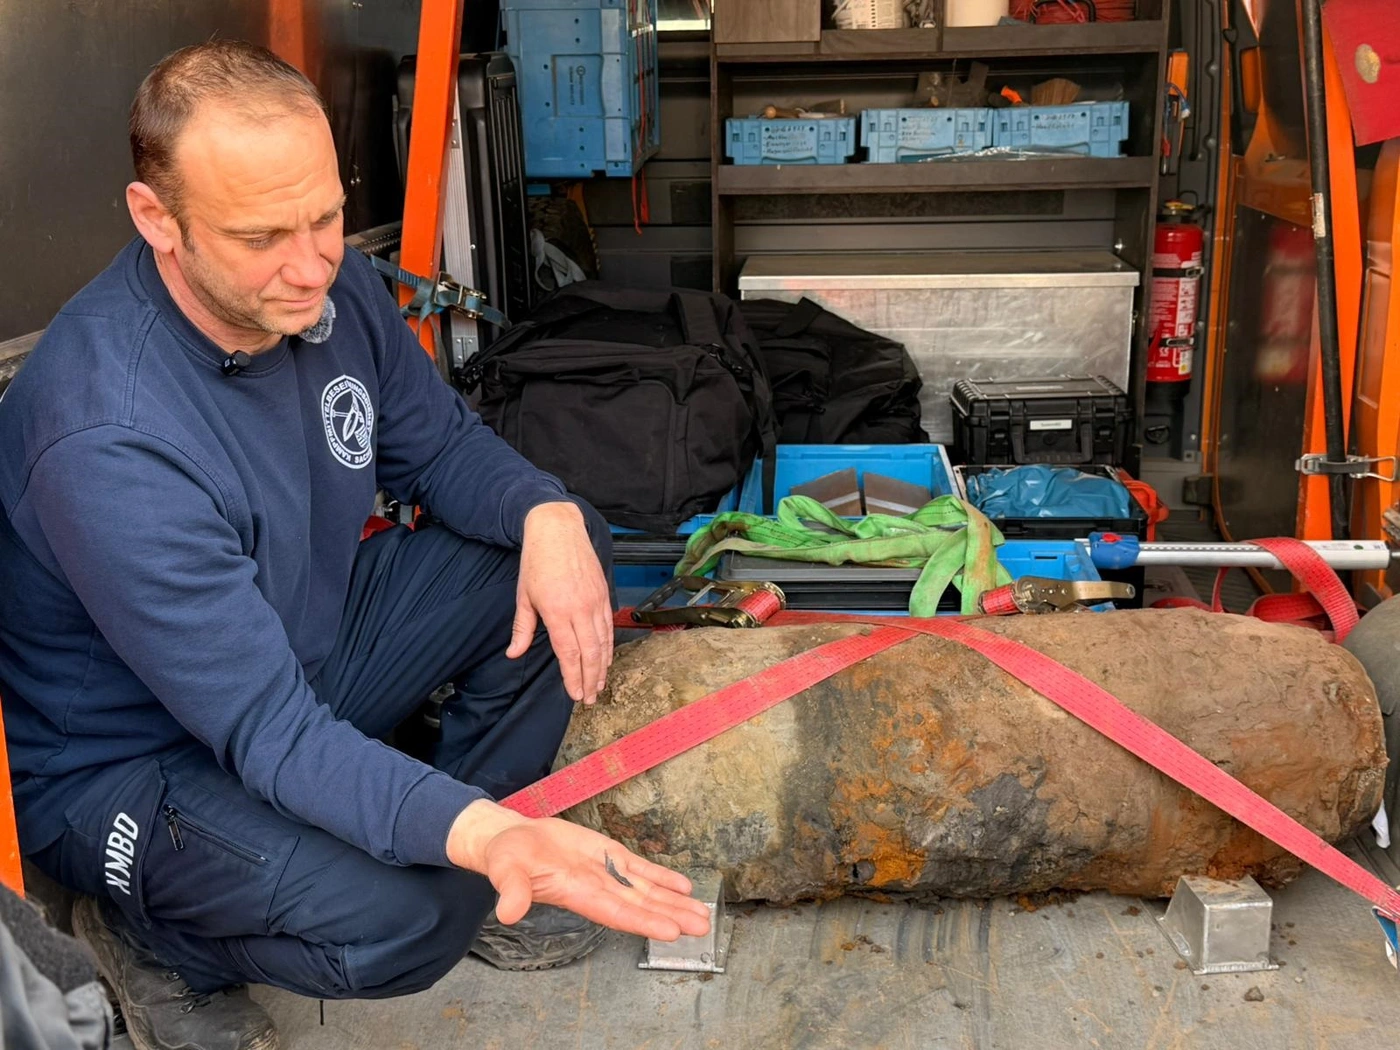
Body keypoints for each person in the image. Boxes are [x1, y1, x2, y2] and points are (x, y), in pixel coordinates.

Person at [0, 40, 709, 1050]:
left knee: (555, 543)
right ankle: (161, 939)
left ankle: (489, 849)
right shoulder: (109, 434)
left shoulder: (330, 294)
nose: (312, 266)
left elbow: (443, 451)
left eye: (326, 218)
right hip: (136, 763)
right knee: (415, 915)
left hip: (295, 657)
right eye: (260, 237)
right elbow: (267, 729)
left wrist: (545, 513)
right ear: (157, 219)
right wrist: (476, 837)